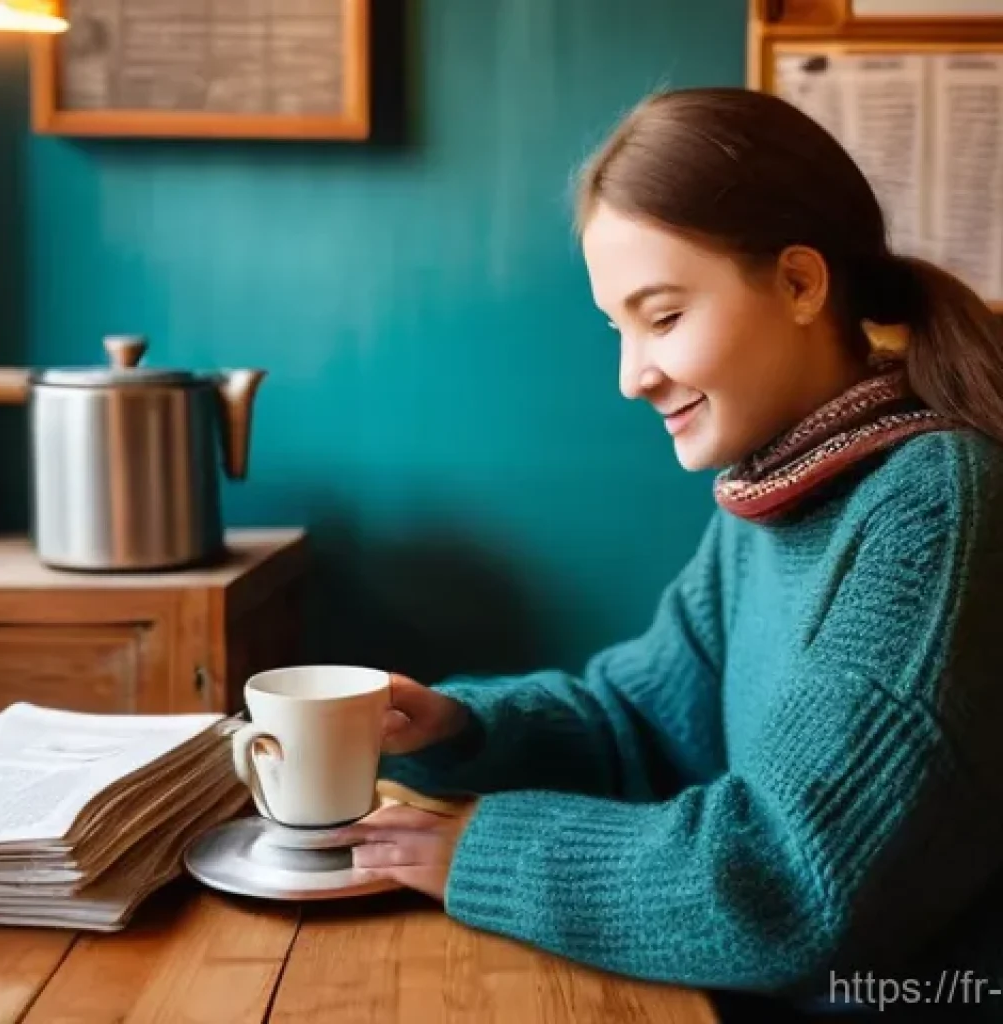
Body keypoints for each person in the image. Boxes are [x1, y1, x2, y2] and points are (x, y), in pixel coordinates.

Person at [327, 87, 1003, 1021]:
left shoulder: (933, 505)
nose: (631, 375)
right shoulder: (775, 487)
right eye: (619, 327)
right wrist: (456, 727)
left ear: (802, 285)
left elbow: (789, 880)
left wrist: (485, 851)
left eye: (665, 316)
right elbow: (640, 723)